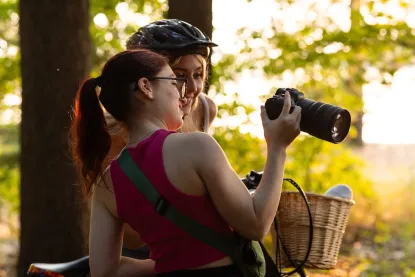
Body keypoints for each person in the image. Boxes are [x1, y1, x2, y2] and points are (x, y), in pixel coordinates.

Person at [70, 48, 301, 276]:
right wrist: (278, 147)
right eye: (174, 82)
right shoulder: (196, 147)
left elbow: (103, 271)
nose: (183, 95)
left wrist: (167, 264)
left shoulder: (107, 182)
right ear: (146, 87)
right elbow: (256, 224)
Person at [103, 19, 219, 250]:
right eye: (178, 75)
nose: (193, 87)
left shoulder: (205, 110)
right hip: (143, 251)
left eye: (198, 74)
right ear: (145, 83)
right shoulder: (115, 129)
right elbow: (122, 222)